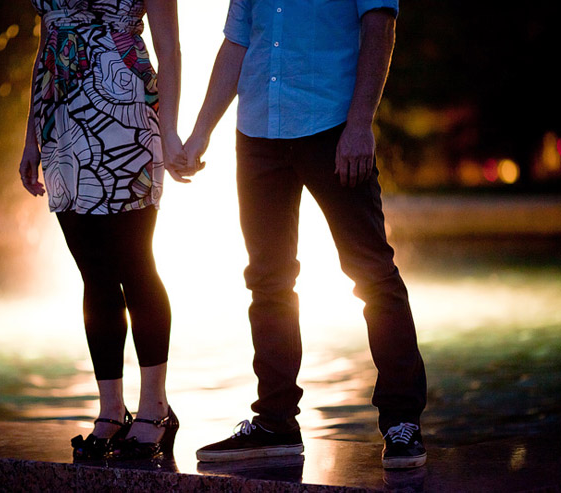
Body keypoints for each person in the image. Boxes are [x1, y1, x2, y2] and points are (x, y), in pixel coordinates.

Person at [175, 0, 428, 469]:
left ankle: (401, 421)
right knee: (267, 281)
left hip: (332, 123)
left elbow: (380, 27)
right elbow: (236, 43)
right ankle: (275, 422)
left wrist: (360, 124)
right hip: (256, 132)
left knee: (372, 274)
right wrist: (200, 133)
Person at [19, 0, 185, 460]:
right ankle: (111, 410)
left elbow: (169, 47)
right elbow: (45, 42)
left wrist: (169, 132)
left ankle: (156, 408)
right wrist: (31, 136)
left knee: (135, 264)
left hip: (126, 111)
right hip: (60, 119)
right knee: (94, 273)